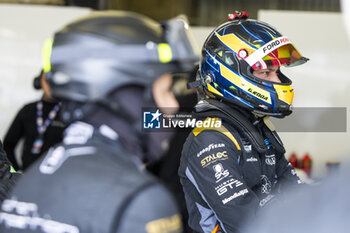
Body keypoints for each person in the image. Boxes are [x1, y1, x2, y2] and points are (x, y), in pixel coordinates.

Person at [0, 11, 198, 232]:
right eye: (164, 91)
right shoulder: (139, 199)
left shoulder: (29, 183)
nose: (173, 105)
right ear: (124, 97)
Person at [178, 12, 309, 233]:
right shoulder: (211, 139)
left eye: (277, 72)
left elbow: (299, 197)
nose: (277, 81)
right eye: (267, 72)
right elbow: (247, 225)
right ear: (229, 74)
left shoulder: (257, 129)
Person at [3, 70, 66, 171]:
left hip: (56, 179)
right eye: (47, 80)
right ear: (39, 82)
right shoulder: (28, 110)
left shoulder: (69, 113)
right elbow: (8, 145)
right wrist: (17, 173)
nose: (50, 84)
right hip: (26, 177)